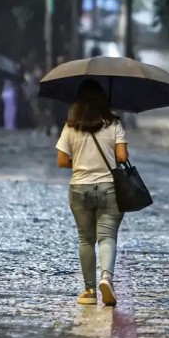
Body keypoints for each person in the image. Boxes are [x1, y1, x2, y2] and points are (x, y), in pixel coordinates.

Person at [56, 79, 128, 306]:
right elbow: (122, 157)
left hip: (79, 188)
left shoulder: (70, 126)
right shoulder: (114, 123)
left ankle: (88, 291)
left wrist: (79, 162)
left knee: (85, 239)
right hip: (108, 187)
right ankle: (106, 278)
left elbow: (61, 160)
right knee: (107, 236)